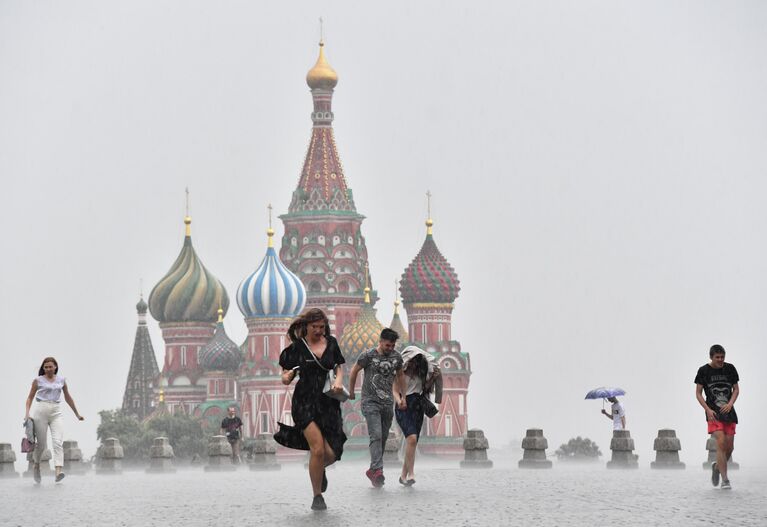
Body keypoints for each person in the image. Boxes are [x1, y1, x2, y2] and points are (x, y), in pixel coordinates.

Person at [277, 308, 347, 511]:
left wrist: (339, 381)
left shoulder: (331, 343)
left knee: (332, 453)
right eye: (315, 327)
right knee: (317, 449)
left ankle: (319, 470)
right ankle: (317, 497)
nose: (318, 331)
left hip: (327, 402)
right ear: (306, 326)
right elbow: (285, 372)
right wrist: (287, 377)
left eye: (322, 327)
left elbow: (338, 366)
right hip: (304, 402)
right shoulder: (298, 348)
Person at [348, 328, 405, 487]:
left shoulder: (396, 357)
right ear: (380, 341)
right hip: (370, 402)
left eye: (393, 345)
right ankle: (378, 470)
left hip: (387, 404)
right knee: (376, 435)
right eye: (388, 345)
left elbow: (400, 376)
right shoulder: (368, 355)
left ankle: (373, 471)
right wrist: (352, 391)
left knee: (383, 437)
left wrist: (402, 398)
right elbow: (354, 370)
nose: (390, 349)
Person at [24, 357, 84, 483]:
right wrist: (27, 414)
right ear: (43, 368)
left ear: (55, 367)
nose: (48, 369)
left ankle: (58, 471)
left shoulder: (61, 380)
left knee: (57, 442)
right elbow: (29, 398)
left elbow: (68, 398)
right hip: (41, 410)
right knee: (41, 445)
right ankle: (36, 465)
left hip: (56, 411)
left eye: (50, 366)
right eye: (46, 367)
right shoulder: (37, 381)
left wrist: (77, 414)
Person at [395, 345, 442, 487]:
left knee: (412, 442)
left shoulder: (421, 374)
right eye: (413, 360)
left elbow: (425, 390)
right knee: (412, 438)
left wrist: (432, 378)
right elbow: (395, 390)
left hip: (417, 406)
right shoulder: (400, 373)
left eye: (418, 360)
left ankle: (403, 476)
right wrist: (400, 401)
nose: (415, 363)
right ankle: (411, 473)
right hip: (403, 406)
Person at [695, 344, 739, 490]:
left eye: (722, 357)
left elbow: (736, 389)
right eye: (717, 357)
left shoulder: (730, 368)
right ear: (711, 357)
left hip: (729, 412)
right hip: (713, 412)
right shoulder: (703, 371)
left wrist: (731, 403)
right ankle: (725, 480)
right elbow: (698, 393)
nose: (720, 360)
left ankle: (716, 468)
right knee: (720, 442)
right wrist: (707, 409)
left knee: (730, 447)